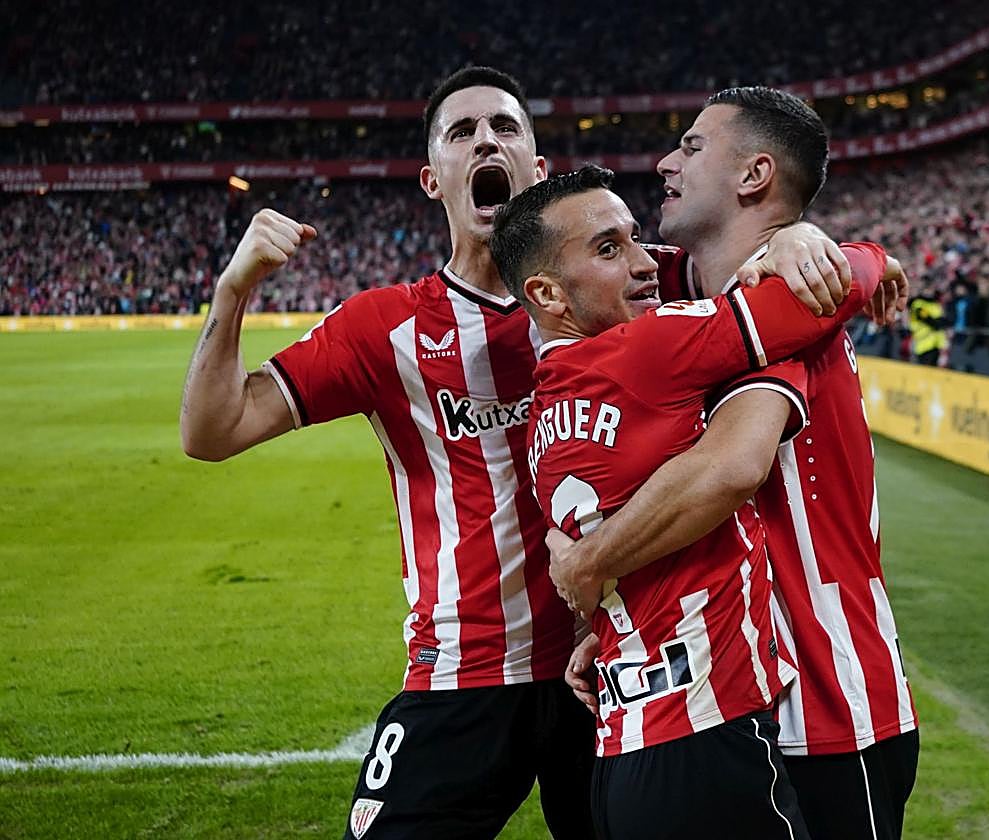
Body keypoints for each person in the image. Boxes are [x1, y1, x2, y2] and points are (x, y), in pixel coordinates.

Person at [179, 66, 862, 840]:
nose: (485, 141)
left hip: (608, 671)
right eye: (462, 133)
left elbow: (762, 258)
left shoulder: (630, 283)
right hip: (464, 674)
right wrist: (235, 287)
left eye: (505, 128)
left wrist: (802, 235)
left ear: (537, 171)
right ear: (434, 179)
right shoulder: (383, 328)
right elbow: (212, 431)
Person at [549, 88, 919, 840]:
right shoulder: (704, 305)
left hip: (828, 704)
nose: (665, 162)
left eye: (690, 146)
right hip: (724, 698)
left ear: (754, 177)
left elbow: (729, 470)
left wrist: (590, 562)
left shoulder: (791, 310)